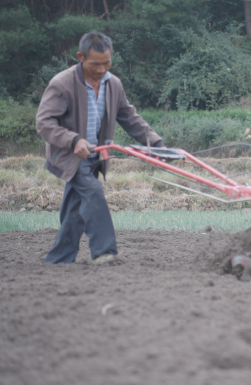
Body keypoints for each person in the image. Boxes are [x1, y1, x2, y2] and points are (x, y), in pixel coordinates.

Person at [36, 31, 164, 264]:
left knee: (76, 210)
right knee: (93, 192)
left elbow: (129, 117)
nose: (102, 69)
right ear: (81, 57)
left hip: (95, 155)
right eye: (96, 63)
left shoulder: (112, 84)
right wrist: (73, 140)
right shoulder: (62, 84)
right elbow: (44, 122)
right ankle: (105, 252)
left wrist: (155, 143)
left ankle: (58, 259)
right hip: (69, 155)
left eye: (107, 63)